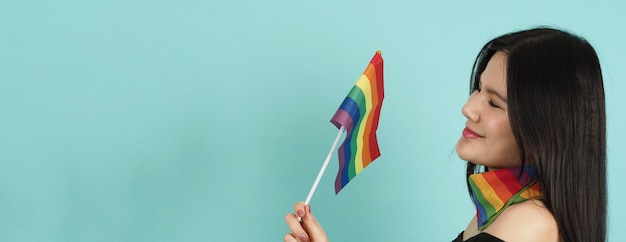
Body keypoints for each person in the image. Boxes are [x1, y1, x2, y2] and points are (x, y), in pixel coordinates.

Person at [283, 27, 607, 242]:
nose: (469, 107)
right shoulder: (504, 211)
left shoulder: (526, 226)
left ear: (547, 130)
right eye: (478, 89)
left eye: (493, 102)